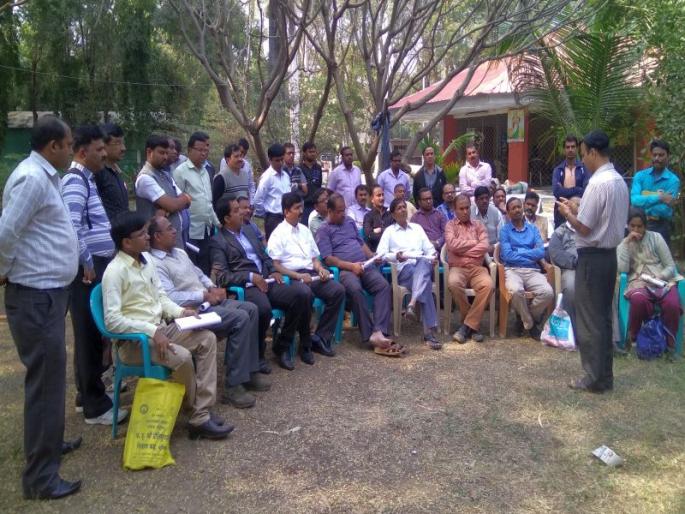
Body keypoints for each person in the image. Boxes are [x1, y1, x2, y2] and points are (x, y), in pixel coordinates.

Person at [0, 116, 83, 500]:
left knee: (51, 378)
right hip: (35, 295)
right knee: (46, 382)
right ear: (53, 146)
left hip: (49, 294)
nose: (72, 150)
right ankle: (40, 478)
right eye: (69, 144)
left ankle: (49, 443)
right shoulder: (32, 179)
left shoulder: (47, 176)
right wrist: (3, 271)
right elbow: (6, 232)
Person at [102, 212, 232, 439]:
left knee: (207, 338)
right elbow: (112, 320)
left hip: (161, 330)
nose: (147, 237)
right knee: (182, 357)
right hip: (135, 342)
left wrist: (181, 312)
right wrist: (152, 331)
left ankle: (201, 412)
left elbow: (161, 298)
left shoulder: (146, 261)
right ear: (127, 243)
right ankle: (197, 416)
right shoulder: (115, 272)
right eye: (142, 234)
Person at [148, 215, 270, 408]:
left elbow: (199, 274)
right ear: (157, 236)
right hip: (190, 311)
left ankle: (249, 371)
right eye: (169, 228)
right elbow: (171, 297)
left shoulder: (179, 252)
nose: (175, 231)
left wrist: (213, 288)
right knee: (240, 317)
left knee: (251, 309)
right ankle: (233, 386)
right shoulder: (155, 263)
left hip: (208, 302)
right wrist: (204, 295)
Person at [557, 129, 630, 393]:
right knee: (603, 317)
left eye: (584, 154)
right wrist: (578, 208)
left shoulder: (597, 183)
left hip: (592, 257)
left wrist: (567, 213)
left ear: (594, 152)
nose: (582, 159)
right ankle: (604, 375)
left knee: (589, 319)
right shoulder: (619, 180)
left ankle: (592, 377)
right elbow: (601, 218)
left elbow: (585, 228)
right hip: (609, 256)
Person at [62, 125, 124, 426]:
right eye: (99, 149)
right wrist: (87, 261)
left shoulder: (87, 179)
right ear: (83, 152)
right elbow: (72, 227)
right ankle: (94, 406)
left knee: (93, 334)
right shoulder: (75, 181)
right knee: (88, 333)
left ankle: (88, 394)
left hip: (96, 264)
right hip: (87, 269)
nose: (104, 154)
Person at [210, 196, 315, 372]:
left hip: (267, 280)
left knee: (303, 293)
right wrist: (250, 276)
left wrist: (273, 270)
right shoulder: (218, 241)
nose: (242, 212)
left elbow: (265, 256)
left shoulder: (249, 231)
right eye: (236, 210)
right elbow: (222, 277)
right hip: (247, 286)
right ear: (226, 218)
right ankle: (258, 355)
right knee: (263, 309)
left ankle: (282, 346)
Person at [316, 194, 399, 354]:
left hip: (364, 265)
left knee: (383, 286)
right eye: (339, 211)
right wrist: (351, 266)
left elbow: (361, 244)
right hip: (344, 270)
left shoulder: (349, 222)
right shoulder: (323, 230)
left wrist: (372, 256)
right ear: (330, 211)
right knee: (355, 290)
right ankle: (369, 335)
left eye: (344, 210)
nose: (343, 214)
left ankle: (379, 331)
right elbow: (328, 259)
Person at [268, 193, 345, 361]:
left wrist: (320, 269)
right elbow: (276, 265)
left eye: (302, 207)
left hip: (311, 274)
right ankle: (304, 343)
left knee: (337, 290)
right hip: (292, 277)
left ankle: (320, 337)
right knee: (304, 293)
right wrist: (297, 275)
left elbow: (314, 258)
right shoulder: (278, 234)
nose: (301, 211)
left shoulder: (304, 230)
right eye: (297, 208)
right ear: (286, 211)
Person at [377, 198, 441, 349]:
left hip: (421, 264)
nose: (403, 210)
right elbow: (381, 254)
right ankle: (429, 334)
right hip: (404, 270)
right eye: (399, 208)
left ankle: (411, 303)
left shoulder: (417, 228)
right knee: (425, 283)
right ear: (393, 214)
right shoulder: (389, 232)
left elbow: (430, 249)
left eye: (404, 207)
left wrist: (433, 256)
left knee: (423, 263)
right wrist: (396, 256)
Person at [617, 208, 682, 350]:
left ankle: (669, 343)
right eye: (632, 226)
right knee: (638, 300)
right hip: (638, 281)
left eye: (639, 226)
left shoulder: (656, 238)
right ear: (627, 226)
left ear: (645, 226)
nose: (636, 230)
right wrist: (626, 244)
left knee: (672, 304)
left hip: (661, 280)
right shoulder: (623, 244)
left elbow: (670, 266)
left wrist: (659, 277)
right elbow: (623, 269)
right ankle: (636, 338)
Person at [499, 197, 554, 340]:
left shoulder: (533, 229)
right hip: (512, 270)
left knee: (548, 292)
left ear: (522, 208)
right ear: (508, 213)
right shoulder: (505, 231)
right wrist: (530, 254)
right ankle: (530, 324)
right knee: (515, 290)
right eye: (513, 208)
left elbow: (540, 252)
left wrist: (518, 252)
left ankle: (523, 318)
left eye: (519, 207)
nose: (517, 210)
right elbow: (507, 256)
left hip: (532, 270)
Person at [446, 194, 494, 343]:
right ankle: (473, 326)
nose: (465, 211)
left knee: (488, 285)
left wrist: (462, 250)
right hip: (458, 267)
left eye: (467, 208)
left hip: (477, 268)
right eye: (461, 208)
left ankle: (466, 327)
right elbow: (452, 245)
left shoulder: (478, 225)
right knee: (453, 283)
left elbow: (484, 246)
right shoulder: (450, 226)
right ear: (455, 210)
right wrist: (474, 242)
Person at [173, 131, 221, 275]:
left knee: (206, 266)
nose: (203, 153)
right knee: (193, 269)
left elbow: (207, 202)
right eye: (199, 150)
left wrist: (218, 224)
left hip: (207, 229)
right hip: (190, 231)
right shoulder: (180, 172)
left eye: (206, 150)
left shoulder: (206, 171)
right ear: (189, 150)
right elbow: (177, 202)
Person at [135, 135, 191, 248]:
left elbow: (188, 200)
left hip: (175, 240)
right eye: (161, 153)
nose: (165, 157)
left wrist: (179, 202)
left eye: (166, 153)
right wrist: (177, 203)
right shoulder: (145, 178)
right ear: (149, 152)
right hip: (158, 245)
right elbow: (173, 205)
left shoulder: (165, 174)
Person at [630, 139, 680, 246]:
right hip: (638, 226)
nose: (657, 158)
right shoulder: (640, 176)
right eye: (654, 155)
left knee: (660, 256)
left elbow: (665, 210)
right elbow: (634, 201)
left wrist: (645, 196)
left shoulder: (673, 180)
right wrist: (659, 197)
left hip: (661, 226)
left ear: (668, 156)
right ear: (651, 155)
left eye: (661, 155)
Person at [548, 196, 581, 324]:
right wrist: (577, 262)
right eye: (577, 205)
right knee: (571, 287)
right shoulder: (560, 232)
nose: (579, 208)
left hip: (591, 266)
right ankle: (573, 328)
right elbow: (556, 254)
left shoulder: (589, 229)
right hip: (571, 269)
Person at [253, 143, 291, 240]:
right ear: (270, 160)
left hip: (287, 217)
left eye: (282, 159)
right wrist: (267, 215)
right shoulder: (267, 177)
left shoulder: (286, 176)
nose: (280, 163)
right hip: (273, 219)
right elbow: (257, 200)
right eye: (277, 160)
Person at [552, 135, 588, 228]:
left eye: (573, 147)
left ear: (577, 148)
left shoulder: (584, 169)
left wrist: (564, 190)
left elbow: (586, 191)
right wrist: (577, 189)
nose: (570, 149)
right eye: (567, 147)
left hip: (579, 213)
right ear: (564, 149)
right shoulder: (558, 170)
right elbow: (556, 192)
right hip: (561, 214)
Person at [96, 123, 129, 221]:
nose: (123, 148)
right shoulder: (98, 173)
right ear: (103, 145)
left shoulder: (117, 172)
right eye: (118, 143)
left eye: (123, 143)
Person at [212, 143, 256, 208]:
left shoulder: (245, 175)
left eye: (241, 156)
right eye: (236, 156)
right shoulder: (221, 177)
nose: (240, 159)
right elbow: (215, 203)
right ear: (228, 159)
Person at [411, 188, 447, 253]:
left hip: (441, 250)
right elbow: (413, 238)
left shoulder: (440, 214)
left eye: (430, 198)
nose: (428, 201)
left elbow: (446, 232)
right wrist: (428, 244)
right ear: (419, 202)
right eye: (425, 199)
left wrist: (438, 242)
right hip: (423, 251)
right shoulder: (415, 218)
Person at [470, 185, 503, 254]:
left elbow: (502, 238)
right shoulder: (469, 213)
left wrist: (493, 247)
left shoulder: (496, 212)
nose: (484, 201)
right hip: (474, 251)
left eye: (486, 198)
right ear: (475, 200)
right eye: (481, 198)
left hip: (493, 251)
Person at [363, 184, 394, 252]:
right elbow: (369, 236)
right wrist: (387, 231)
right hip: (376, 252)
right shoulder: (368, 216)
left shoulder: (390, 213)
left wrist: (380, 230)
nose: (382, 198)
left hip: (392, 250)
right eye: (378, 195)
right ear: (372, 199)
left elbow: (395, 231)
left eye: (383, 195)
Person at [299, 142, 324, 225]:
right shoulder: (298, 169)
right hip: (304, 206)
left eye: (314, 152)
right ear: (304, 153)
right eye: (310, 152)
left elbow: (319, 186)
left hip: (316, 206)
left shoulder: (318, 168)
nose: (313, 154)